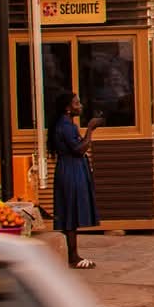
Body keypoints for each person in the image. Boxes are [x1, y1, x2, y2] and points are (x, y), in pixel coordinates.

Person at [50, 93, 104, 269]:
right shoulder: (66, 126)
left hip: (69, 168)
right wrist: (90, 129)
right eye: (76, 103)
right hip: (71, 170)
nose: (80, 106)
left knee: (69, 210)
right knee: (71, 211)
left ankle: (72, 253)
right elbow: (79, 149)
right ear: (68, 108)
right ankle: (73, 256)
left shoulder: (65, 124)